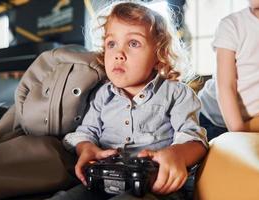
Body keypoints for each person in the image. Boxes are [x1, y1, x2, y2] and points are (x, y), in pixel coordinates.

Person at [48, 1, 208, 200]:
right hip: (101, 182)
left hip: (154, 187)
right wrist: (86, 148)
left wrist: (177, 154)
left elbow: (195, 139)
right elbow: (85, 133)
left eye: (133, 43)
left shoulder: (176, 94)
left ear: (159, 55)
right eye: (111, 44)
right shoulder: (101, 95)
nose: (118, 54)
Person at [198, 0, 259, 141]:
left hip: (254, 120)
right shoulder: (232, 25)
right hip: (213, 119)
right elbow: (226, 87)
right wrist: (239, 135)